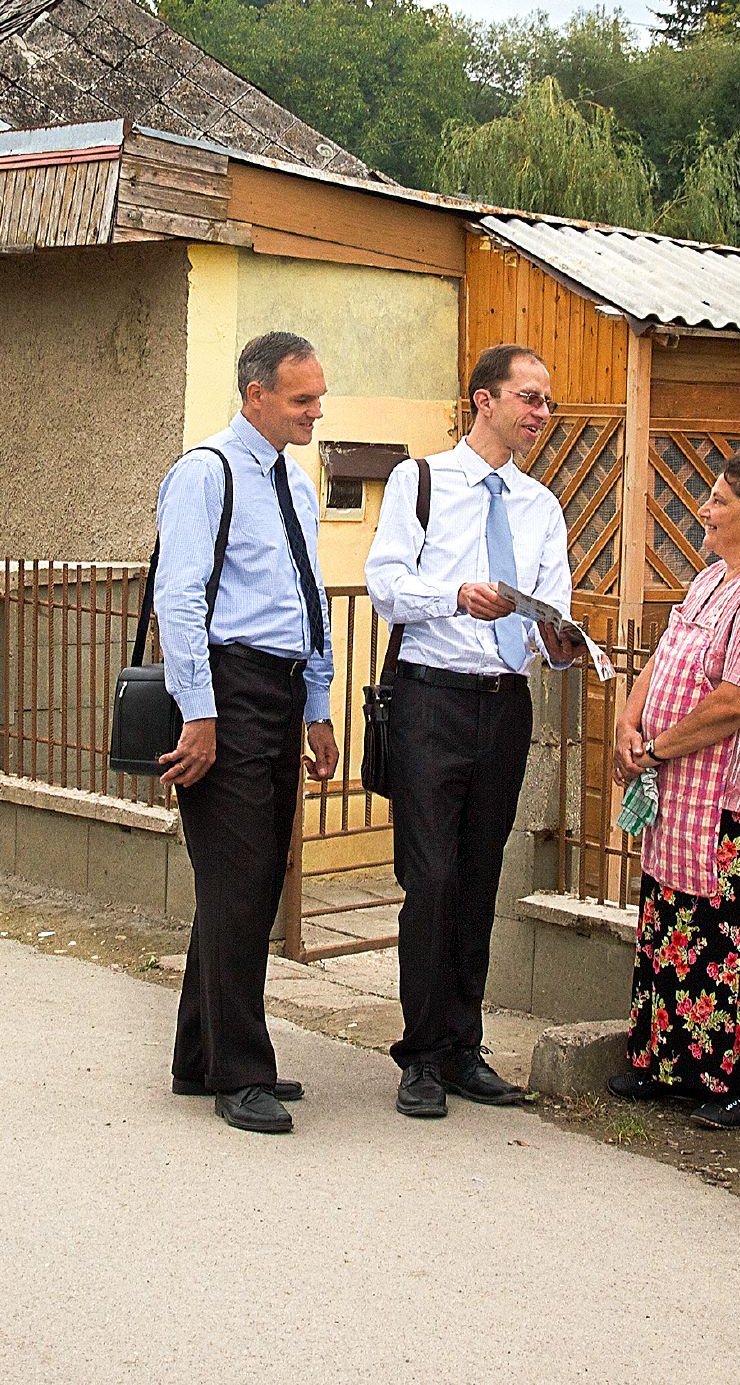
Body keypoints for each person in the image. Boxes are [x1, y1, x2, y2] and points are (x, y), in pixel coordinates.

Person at [365, 343, 578, 1119]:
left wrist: (557, 642)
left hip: (504, 702)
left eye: (547, 402)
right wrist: (456, 595)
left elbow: (547, 609)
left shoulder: (539, 505)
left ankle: (462, 1045)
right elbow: (385, 584)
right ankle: (419, 1052)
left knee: (480, 874)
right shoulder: (418, 480)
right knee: (430, 878)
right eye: (528, 397)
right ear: (483, 400)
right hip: (430, 700)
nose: (540, 413)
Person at [154, 331, 339, 1135]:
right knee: (239, 879)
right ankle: (241, 1073)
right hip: (224, 692)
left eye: (317, 397)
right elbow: (180, 599)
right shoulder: (206, 472)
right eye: (301, 399)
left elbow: (310, 599)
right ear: (255, 394)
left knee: (252, 881)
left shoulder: (295, 485)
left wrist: (318, 703)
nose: (314, 411)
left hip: (281, 689)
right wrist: (199, 712)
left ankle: (199, 1055)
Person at [609, 455, 740, 1129]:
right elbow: (668, 651)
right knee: (675, 921)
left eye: (721, 500)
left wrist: (657, 748)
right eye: (708, 493)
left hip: (736, 791)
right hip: (681, 781)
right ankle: (670, 1065)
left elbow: (736, 699)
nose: (706, 507)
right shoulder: (709, 579)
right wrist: (628, 719)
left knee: (738, 935)